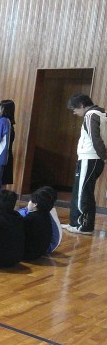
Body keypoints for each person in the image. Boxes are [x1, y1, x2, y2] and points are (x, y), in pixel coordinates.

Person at [63, 94, 106, 235]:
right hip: (91, 159)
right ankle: (75, 223)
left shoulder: (90, 115)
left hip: (90, 158)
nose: (74, 112)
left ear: (82, 105)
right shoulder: (101, 113)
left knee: (83, 193)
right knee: (81, 191)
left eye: (74, 109)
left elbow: (95, 138)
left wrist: (104, 156)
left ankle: (84, 226)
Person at [18, 187, 55, 261]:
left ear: (35, 204)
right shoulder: (46, 216)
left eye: (30, 201)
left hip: (27, 254)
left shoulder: (30, 219)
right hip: (41, 252)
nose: (28, 203)